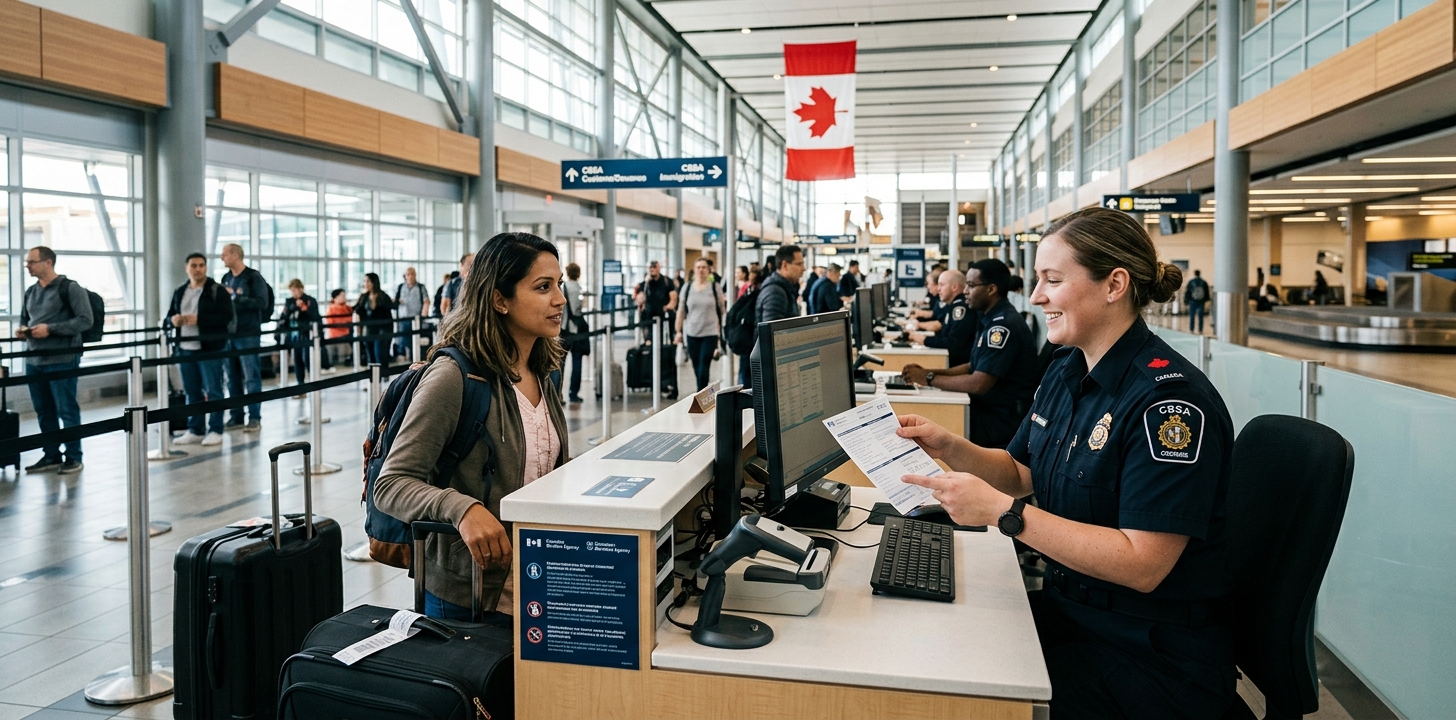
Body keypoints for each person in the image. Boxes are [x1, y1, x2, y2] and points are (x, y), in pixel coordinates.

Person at [897, 207, 1236, 718]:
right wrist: (949, 447)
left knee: (956, 697)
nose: (1036, 297)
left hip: (1148, 654)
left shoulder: (1168, 404)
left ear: (1114, 285)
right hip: (1075, 613)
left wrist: (1005, 515)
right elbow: (1019, 473)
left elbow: (1143, 564)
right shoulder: (1065, 369)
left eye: (1052, 280)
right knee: (937, 643)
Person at [374, 232, 569, 622]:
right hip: (468, 596)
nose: (560, 299)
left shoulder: (544, 371)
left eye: (559, 284)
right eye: (543, 287)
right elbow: (391, 484)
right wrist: (462, 509)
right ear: (499, 300)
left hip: (533, 580)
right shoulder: (454, 377)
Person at [903, 260, 1038, 448]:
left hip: (1002, 420)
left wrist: (929, 379)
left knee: (932, 427)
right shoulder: (989, 318)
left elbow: (978, 384)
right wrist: (928, 373)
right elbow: (972, 366)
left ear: (991, 289)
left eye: (971, 285)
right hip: (989, 410)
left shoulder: (1002, 327)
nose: (965, 291)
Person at [17, 246, 93, 474]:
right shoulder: (31, 292)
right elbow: (25, 319)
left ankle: (74, 456)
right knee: (43, 410)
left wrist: (50, 329)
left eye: (32, 262)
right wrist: (24, 330)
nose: (28, 266)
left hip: (62, 359)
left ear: (48, 262)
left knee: (66, 409)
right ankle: (51, 455)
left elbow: (85, 320)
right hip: (34, 360)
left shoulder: (70, 288)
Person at [169, 253, 233, 446]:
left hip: (209, 348)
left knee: (213, 390)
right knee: (191, 391)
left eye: (201, 265)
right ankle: (195, 429)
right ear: (186, 268)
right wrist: (173, 320)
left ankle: (215, 429)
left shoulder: (217, 291)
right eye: (194, 266)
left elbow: (226, 317)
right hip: (185, 348)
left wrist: (200, 320)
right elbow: (170, 315)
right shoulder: (180, 291)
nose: (198, 269)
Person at [219, 243, 270, 432]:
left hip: (248, 333)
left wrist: (236, 299)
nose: (222, 258)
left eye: (225, 254)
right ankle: (236, 415)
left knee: (251, 376)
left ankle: (254, 417)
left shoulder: (253, 277)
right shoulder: (226, 278)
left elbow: (262, 302)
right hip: (229, 334)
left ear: (235, 255)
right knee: (232, 377)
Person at [675, 258, 727, 391]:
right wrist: (678, 331)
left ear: (708, 270)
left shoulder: (715, 287)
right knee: (696, 364)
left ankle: (701, 392)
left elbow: (722, 309)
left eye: (704, 267)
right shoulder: (687, 288)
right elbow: (681, 310)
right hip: (692, 332)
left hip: (710, 332)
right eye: (698, 267)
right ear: (694, 269)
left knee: (704, 363)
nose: (701, 270)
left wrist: (722, 329)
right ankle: (702, 392)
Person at [906, 269, 976, 367]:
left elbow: (953, 343)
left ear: (954, 287)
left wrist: (924, 339)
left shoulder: (960, 309)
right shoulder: (954, 306)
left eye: (941, 285)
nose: (938, 289)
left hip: (958, 366)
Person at [279, 279, 322, 390]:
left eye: (295, 290)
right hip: (294, 334)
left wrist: (304, 308)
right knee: (297, 359)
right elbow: (284, 316)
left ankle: (312, 381)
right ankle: (300, 384)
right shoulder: (289, 302)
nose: (293, 293)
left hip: (307, 334)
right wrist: (292, 308)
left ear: (301, 289)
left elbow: (314, 316)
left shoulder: (310, 300)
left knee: (307, 358)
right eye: (291, 290)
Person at [354, 273, 396, 367]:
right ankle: (373, 375)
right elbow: (357, 310)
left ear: (374, 282)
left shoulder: (383, 296)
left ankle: (383, 373)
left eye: (368, 281)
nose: (365, 284)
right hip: (369, 330)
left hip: (382, 330)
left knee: (380, 355)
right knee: (370, 357)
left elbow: (389, 310)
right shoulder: (364, 297)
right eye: (364, 281)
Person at [562, 262, 588, 404]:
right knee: (577, 361)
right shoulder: (579, 289)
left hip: (564, 329)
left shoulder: (563, 288)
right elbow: (579, 308)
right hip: (577, 330)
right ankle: (573, 393)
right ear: (578, 274)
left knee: (560, 363)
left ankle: (558, 394)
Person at [393, 267, 430, 358]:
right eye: (408, 275)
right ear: (405, 276)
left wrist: (424, 314)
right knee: (403, 342)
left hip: (416, 320)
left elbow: (426, 301)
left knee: (416, 342)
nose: (410, 277)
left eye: (412, 274)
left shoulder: (420, 287)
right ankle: (405, 358)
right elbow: (394, 301)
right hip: (403, 319)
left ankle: (415, 358)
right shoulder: (400, 287)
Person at [323, 288, 352, 369]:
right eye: (342, 296)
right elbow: (332, 322)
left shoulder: (347, 307)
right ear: (336, 297)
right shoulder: (332, 308)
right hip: (336, 335)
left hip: (346, 334)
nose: (344, 298)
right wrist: (346, 321)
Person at [1184, 269, 1210, 333]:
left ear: (1194, 273)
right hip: (1201, 301)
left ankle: (1191, 329)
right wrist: (1206, 299)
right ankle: (1200, 329)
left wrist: (1186, 300)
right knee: (1200, 316)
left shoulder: (1191, 282)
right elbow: (1207, 292)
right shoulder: (1203, 282)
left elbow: (1188, 292)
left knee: (1192, 315)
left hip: (1193, 301)